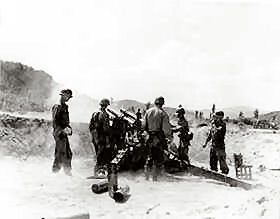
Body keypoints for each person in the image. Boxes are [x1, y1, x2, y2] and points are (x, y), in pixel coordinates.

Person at [142, 96, 173, 181]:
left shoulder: (148, 112)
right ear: (162, 103)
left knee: (149, 157)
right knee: (158, 158)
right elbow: (166, 129)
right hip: (158, 138)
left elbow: (143, 126)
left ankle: (146, 177)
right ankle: (155, 178)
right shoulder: (163, 113)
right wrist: (169, 137)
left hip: (149, 137)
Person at [51, 89, 73, 176]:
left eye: (69, 97)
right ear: (62, 95)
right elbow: (55, 122)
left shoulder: (65, 106)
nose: (68, 98)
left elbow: (66, 122)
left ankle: (67, 171)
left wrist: (69, 128)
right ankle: (55, 172)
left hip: (64, 132)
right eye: (67, 96)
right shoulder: (57, 106)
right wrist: (61, 131)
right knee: (60, 153)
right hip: (59, 133)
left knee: (68, 152)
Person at [89, 98, 113, 176]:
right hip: (102, 138)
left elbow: (90, 126)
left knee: (98, 154)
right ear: (106, 105)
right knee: (102, 155)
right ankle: (100, 171)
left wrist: (94, 135)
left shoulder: (94, 113)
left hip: (95, 137)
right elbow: (106, 129)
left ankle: (96, 171)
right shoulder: (104, 114)